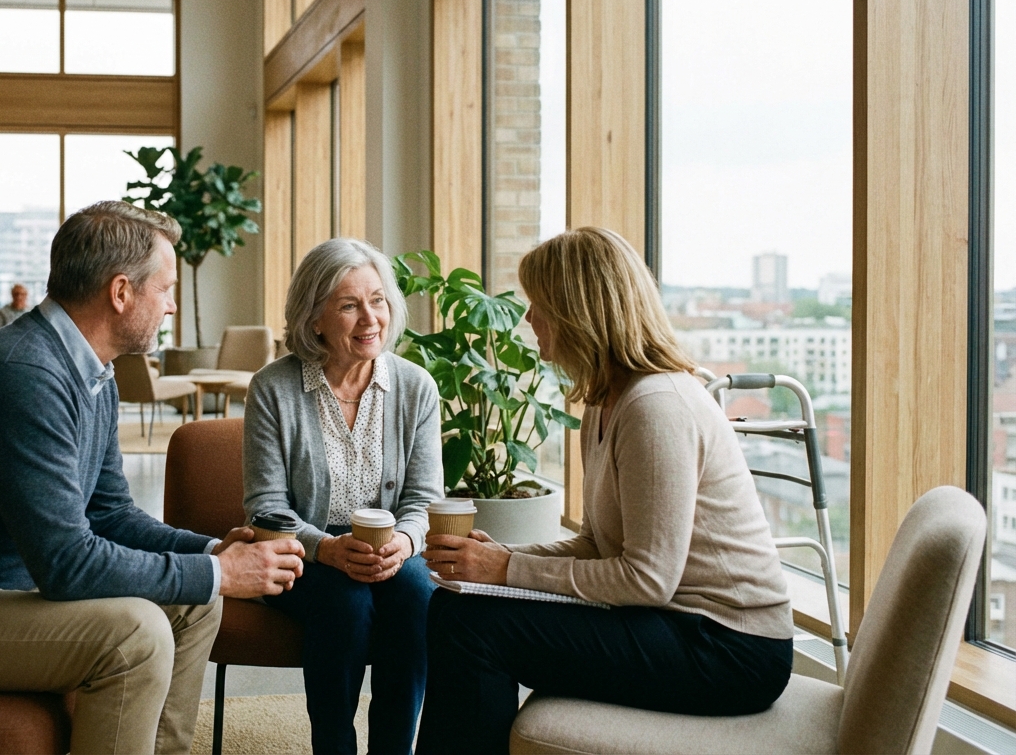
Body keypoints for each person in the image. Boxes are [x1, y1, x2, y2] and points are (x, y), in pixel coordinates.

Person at [0, 201, 305, 755]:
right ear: (121, 291)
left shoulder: (91, 372)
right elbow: (66, 565)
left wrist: (211, 550)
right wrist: (216, 571)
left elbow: (110, 514)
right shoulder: (26, 376)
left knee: (197, 600)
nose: (172, 306)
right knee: (137, 633)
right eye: (165, 288)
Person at [415, 227, 795, 754]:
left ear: (579, 312)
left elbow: (647, 579)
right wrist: (501, 558)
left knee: (472, 628)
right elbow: (597, 545)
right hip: (672, 622)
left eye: (539, 304)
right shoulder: (604, 402)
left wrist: (505, 571)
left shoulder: (656, 407)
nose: (528, 319)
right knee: (456, 608)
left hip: (730, 648)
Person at [244, 237, 443, 754]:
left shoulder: (416, 387)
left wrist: (405, 540)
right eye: (349, 305)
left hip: (388, 548)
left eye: (377, 301)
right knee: (345, 603)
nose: (369, 319)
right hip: (304, 553)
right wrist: (326, 549)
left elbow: (423, 499)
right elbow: (265, 508)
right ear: (314, 319)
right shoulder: (273, 387)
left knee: (417, 594)